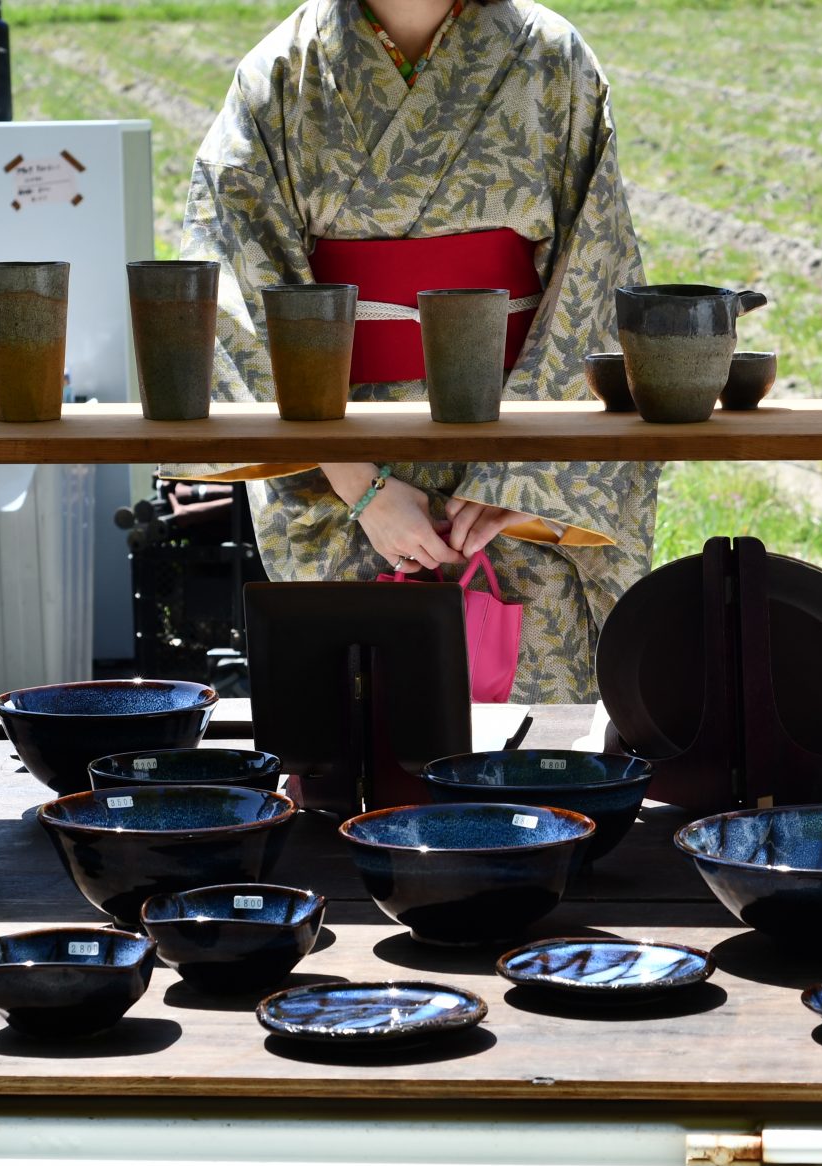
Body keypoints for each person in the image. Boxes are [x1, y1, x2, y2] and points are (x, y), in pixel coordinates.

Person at [176, 0, 655, 702]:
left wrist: (515, 485)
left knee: (529, 750)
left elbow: (596, 275)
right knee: (360, 731)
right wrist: (359, 484)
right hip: (336, 454)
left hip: (514, 449)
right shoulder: (279, 73)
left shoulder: (550, 57)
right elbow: (240, 295)